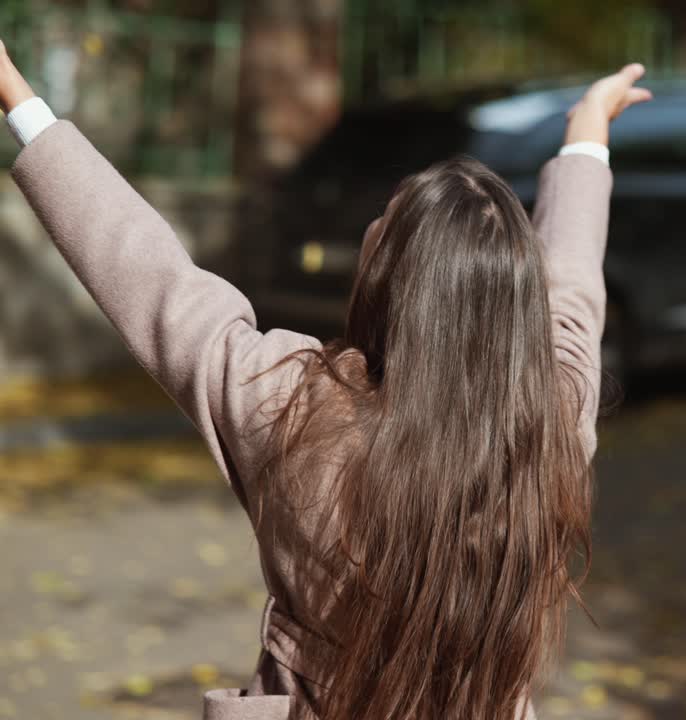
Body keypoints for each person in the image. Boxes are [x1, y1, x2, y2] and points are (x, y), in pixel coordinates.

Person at [0, 36, 652, 720]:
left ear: (395, 280)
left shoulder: (295, 411)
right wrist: (587, 136)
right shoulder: (552, 428)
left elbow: (153, 278)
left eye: (387, 222)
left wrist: (18, 96)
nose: (372, 225)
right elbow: (573, 293)